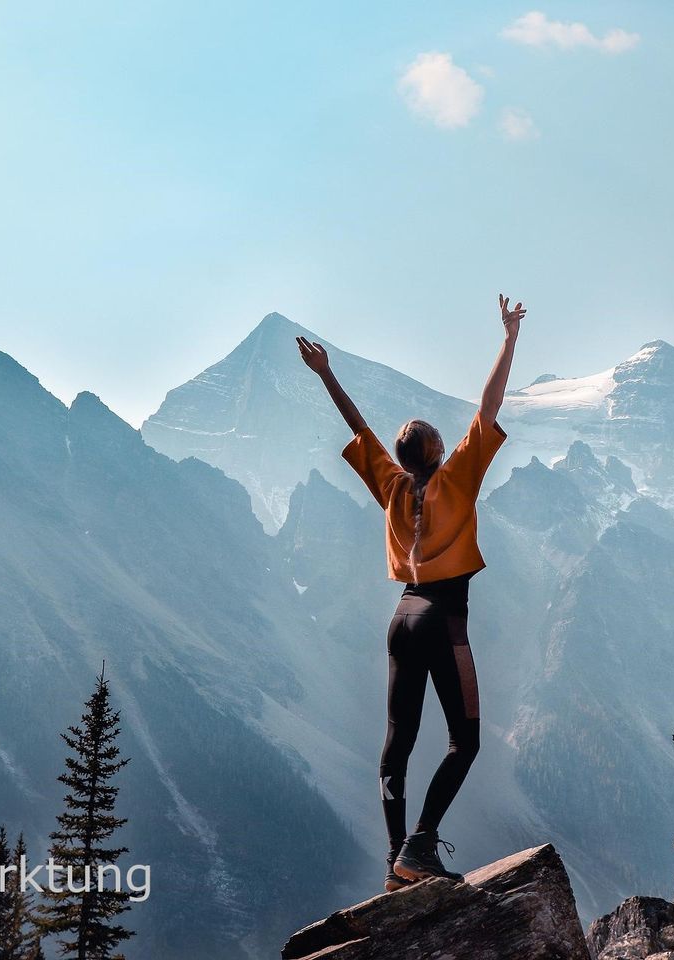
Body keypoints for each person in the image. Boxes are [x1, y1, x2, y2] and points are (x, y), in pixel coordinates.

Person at [296, 294, 524, 890]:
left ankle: (396, 863)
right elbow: (490, 403)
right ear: (440, 452)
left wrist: (327, 374)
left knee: (398, 740)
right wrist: (508, 338)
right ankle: (421, 846)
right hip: (444, 618)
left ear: (402, 459)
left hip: (401, 618)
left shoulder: (392, 488)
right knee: (465, 740)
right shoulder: (457, 478)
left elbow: (358, 426)